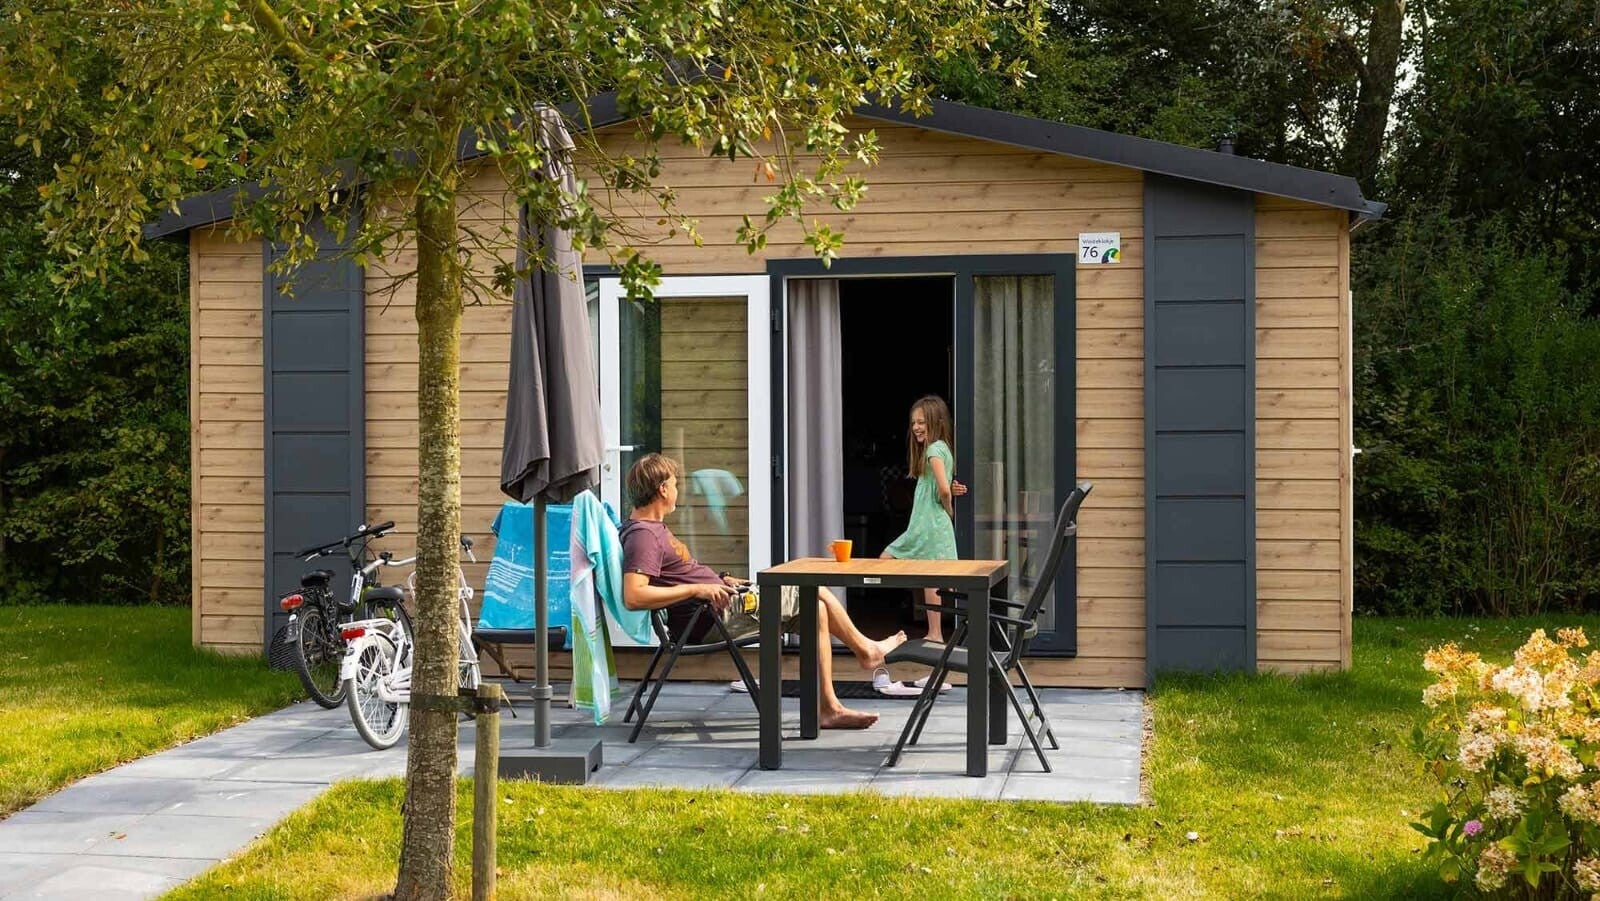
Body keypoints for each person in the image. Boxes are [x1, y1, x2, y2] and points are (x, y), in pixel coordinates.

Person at [619, 453, 906, 730]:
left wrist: (720, 579)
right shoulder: (643, 536)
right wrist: (699, 588)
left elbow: (675, 576)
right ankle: (866, 651)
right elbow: (634, 596)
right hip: (710, 618)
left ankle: (829, 709)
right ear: (663, 489)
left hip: (718, 605)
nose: (678, 490)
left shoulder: (651, 529)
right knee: (812, 589)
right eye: (675, 484)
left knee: (815, 610)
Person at [877, 395, 967, 692]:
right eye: (913, 423)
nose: (916, 427)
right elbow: (942, 485)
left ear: (936, 422)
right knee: (931, 580)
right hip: (927, 526)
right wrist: (948, 491)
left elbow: (942, 489)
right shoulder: (941, 449)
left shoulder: (933, 449)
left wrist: (948, 508)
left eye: (921, 422)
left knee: (885, 560)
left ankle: (928, 634)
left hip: (927, 526)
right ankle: (934, 636)